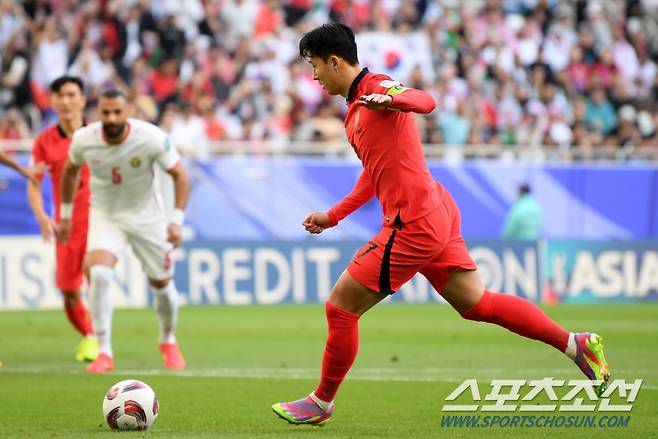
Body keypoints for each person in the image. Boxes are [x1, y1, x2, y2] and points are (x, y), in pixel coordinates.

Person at [272, 23, 610, 427]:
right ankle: (575, 345)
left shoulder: (377, 87)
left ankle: (322, 401)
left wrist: (390, 99)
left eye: (314, 67)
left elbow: (426, 101)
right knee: (477, 304)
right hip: (434, 211)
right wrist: (335, 215)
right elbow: (374, 172)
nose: (313, 77)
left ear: (334, 61)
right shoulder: (353, 111)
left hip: (412, 223)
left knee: (341, 307)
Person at [58, 89, 190, 373]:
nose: (111, 118)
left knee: (163, 286)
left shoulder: (150, 137)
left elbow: (179, 175)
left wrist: (176, 220)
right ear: (98, 113)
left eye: (117, 112)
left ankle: (168, 340)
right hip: (106, 215)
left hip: (147, 218)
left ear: (128, 110)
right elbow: (69, 171)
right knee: (100, 273)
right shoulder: (84, 139)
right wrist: (66, 215)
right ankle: (104, 350)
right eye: (105, 113)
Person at [26, 76, 97, 362]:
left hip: (98, 220)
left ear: (82, 99)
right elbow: (34, 180)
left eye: (71, 94)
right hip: (66, 226)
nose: (66, 101)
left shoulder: (98, 134)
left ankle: (101, 343)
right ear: (53, 101)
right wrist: (42, 216)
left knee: (96, 274)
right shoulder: (45, 141)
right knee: (69, 292)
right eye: (60, 95)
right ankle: (89, 335)